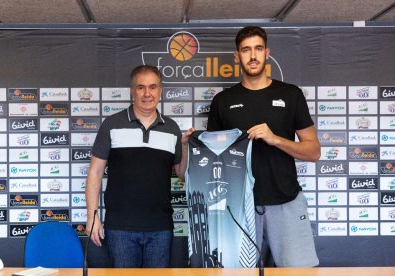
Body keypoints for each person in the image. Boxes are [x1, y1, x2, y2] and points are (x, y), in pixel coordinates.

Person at [207, 26, 320, 267]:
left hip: (286, 201)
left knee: (299, 273)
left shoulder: (291, 95)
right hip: (238, 206)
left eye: (258, 49)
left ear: (267, 53)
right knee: (236, 273)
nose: (253, 56)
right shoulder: (222, 102)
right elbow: (211, 159)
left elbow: (314, 151)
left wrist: (276, 138)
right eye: (246, 50)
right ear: (237, 56)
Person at [85, 65, 190, 268]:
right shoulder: (111, 124)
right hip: (120, 228)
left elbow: (182, 174)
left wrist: (184, 147)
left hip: (160, 228)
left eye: (153, 87)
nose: (147, 93)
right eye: (141, 87)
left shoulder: (172, 128)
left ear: (160, 91)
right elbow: (95, 172)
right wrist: (92, 216)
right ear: (132, 91)